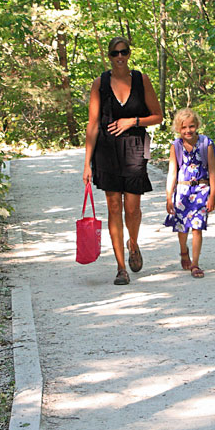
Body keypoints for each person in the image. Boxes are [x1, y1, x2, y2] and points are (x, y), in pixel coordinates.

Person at [83, 37, 163, 285]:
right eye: (115, 53)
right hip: (106, 151)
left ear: (129, 54)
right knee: (114, 207)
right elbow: (93, 124)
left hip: (134, 148)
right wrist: (87, 163)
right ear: (109, 56)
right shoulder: (100, 83)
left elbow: (158, 116)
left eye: (124, 52)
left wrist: (133, 121)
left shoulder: (141, 80)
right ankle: (120, 267)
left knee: (132, 208)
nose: (120, 57)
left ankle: (134, 244)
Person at [163, 108, 215, 278]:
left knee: (197, 227)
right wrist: (168, 197)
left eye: (191, 126)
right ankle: (183, 252)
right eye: (184, 127)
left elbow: (213, 171)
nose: (188, 131)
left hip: (201, 189)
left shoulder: (205, 144)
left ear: (197, 126)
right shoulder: (176, 146)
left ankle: (195, 263)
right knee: (182, 227)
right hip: (182, 190)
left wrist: (212, 195)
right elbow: (172, 171)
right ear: (178, 129)